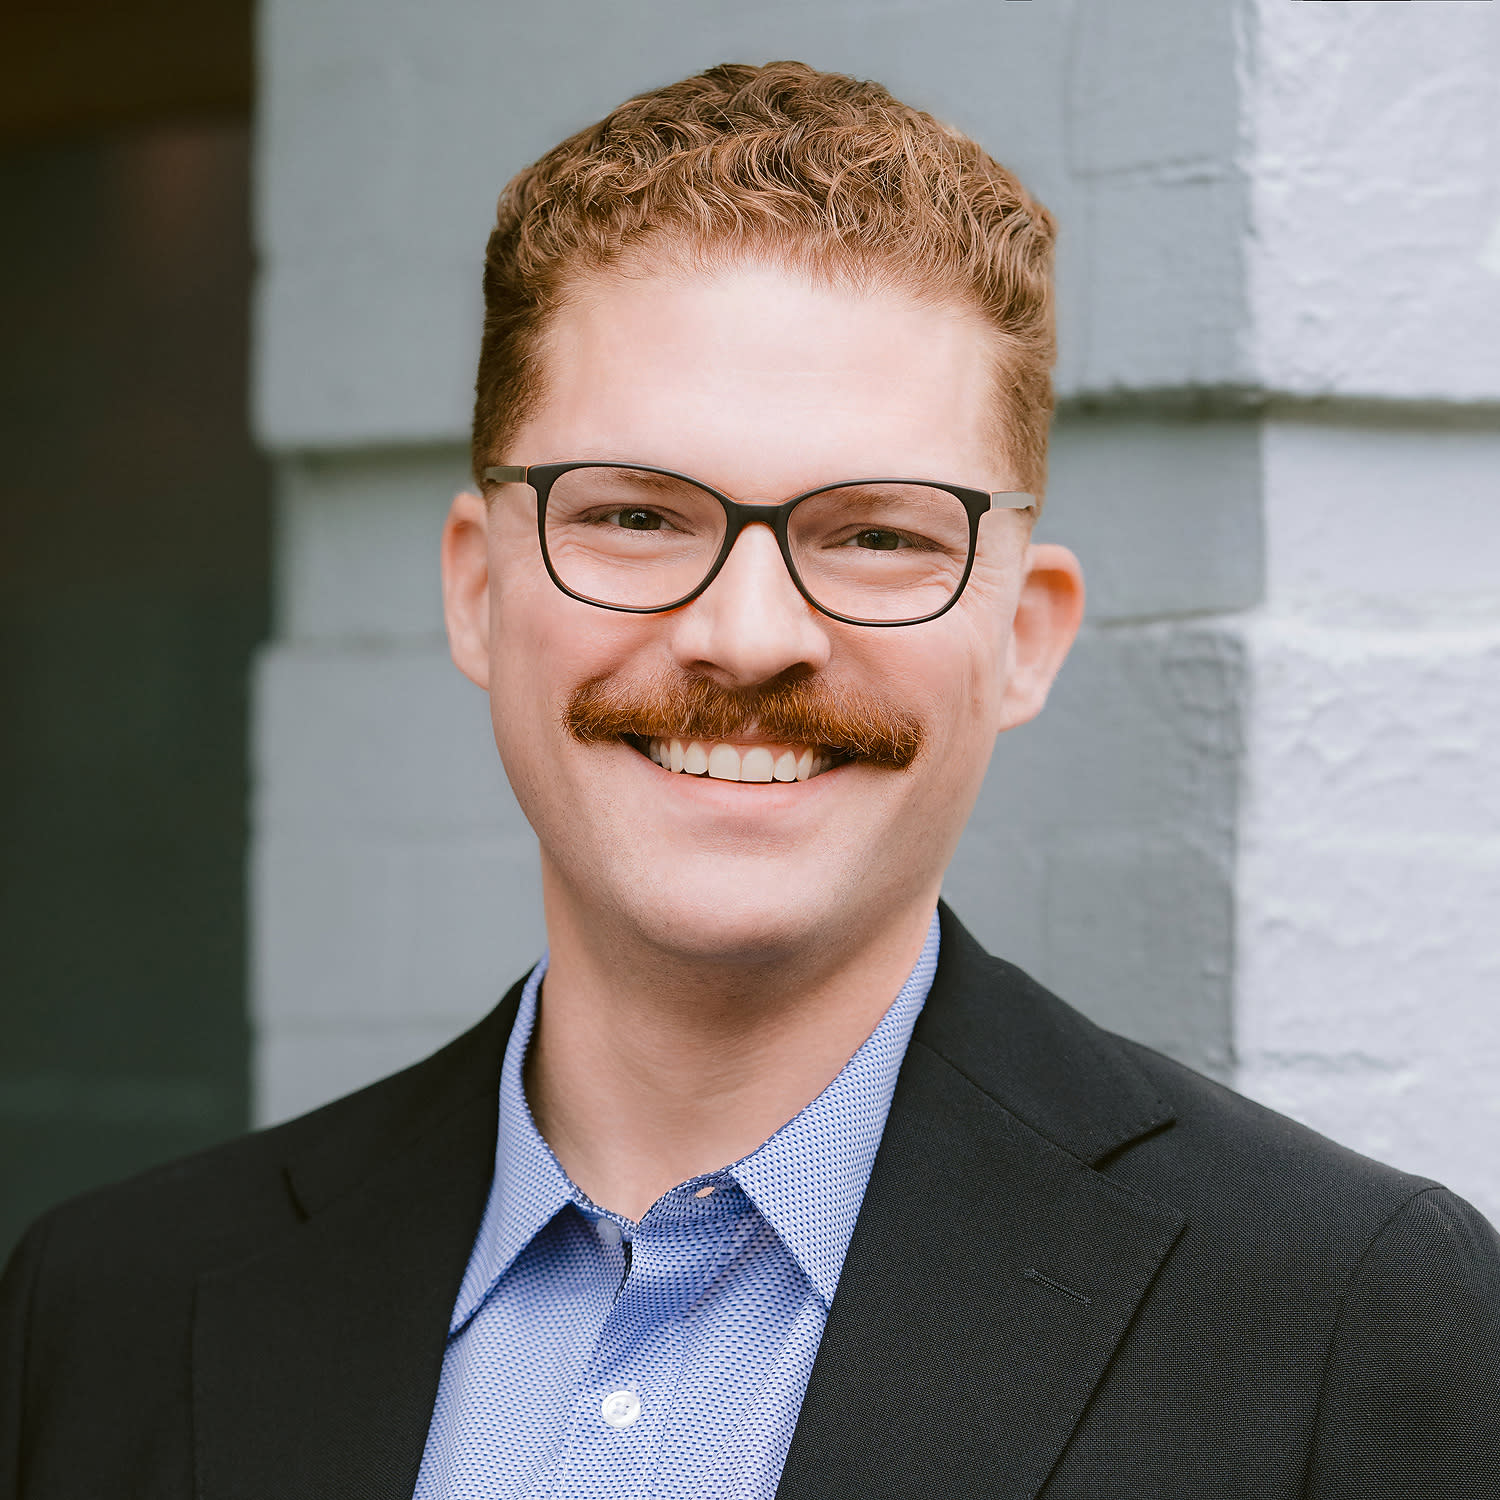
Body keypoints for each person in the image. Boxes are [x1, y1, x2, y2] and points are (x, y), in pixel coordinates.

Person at [3, 59, 1498, 1500]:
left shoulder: (1342, 1324)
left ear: (1025, 637)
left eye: (880, 536)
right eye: (637, 515)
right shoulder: (110, 1309)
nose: (750, 635)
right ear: (476, 589)